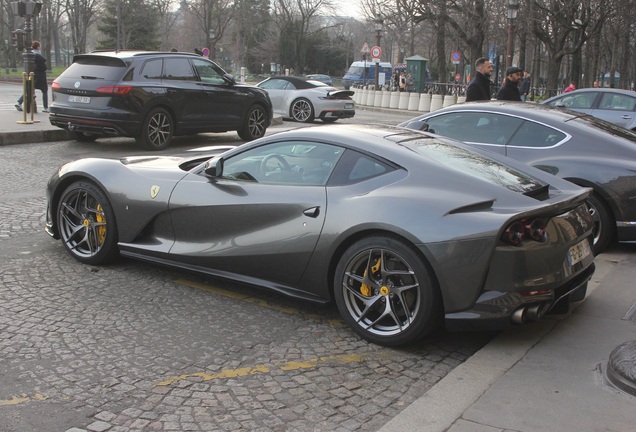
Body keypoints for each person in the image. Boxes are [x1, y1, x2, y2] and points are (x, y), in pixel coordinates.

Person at [15, 40, 48, 113]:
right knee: (44, 91)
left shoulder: (30, 55)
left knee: (29, 90)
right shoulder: (39, 56)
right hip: (40, 76)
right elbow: (44, 67)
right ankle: (45, 107)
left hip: (31, 75)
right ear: (38, 47)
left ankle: (19, 102)